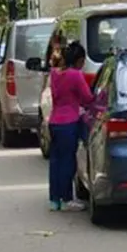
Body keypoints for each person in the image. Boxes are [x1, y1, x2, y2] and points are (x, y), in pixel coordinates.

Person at [47, 41, 93, 211]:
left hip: (54, 121)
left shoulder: (54, 74)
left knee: (56, 161)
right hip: (69, 122)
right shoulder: (75, 75)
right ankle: (67, 199)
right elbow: (87, 98)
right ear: (79, 60)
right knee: (68, 161)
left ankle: (54, 199)